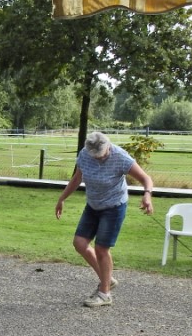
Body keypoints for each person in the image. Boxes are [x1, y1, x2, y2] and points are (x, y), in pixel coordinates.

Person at [55, 131, 154, 307]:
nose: (99, 159)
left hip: (114, 207)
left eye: (101, 155)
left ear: (108, 146)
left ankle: (105, 293)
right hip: (93, 205)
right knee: (79, 243)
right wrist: (62, 198)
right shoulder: (85, 154)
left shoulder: (121, 157)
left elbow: (146, 178)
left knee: (101, 248)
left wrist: (147, 195)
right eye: (95, 156)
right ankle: (107, 279)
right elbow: (77, 178)